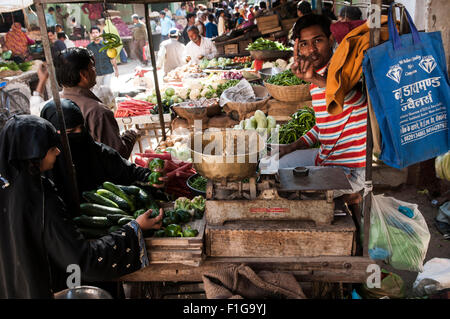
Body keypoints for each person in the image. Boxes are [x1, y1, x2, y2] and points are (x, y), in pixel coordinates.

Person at [0, 115, 164, 298]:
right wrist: (134, 230)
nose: (58, 152)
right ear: (34, 154)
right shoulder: (41, 198)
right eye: (52, 148)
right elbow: (80, 261)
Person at [276, 14, 367, 208]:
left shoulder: (342, 68)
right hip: (325, 158)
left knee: (293, 199)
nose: (311, 50)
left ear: (331, 40)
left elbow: (356, 100)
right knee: (273, 169)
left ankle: (348, 198)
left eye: (318, 41)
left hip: (351, 171)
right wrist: (291, 146)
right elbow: (323, 125)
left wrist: (315, 79)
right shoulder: (318, 77)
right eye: (304, 44)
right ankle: (342, 199)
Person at [40, 99, 165, 217]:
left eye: (81, 128)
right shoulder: (44, 167)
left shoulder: (98, 151)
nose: (79, 134)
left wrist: (150, 176)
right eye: (71, 131)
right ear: (52, 133)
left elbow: (129, 171)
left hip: (113, 221)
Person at [55, 47, 137, 159]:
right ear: (84, 74)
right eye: (92, 67)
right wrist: (131, 135)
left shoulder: (52, 105)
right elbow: (117, 155)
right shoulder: (98, 112)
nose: (95, 70)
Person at [87, 27, 119, 94]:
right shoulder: (89, 47)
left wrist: (116, 70)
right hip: (96, 73)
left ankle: (108, 104)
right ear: (91, 34)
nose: (95, 34)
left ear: (100, 33)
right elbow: (88, 61)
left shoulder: (107, 45)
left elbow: (112, 58)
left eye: (96, 32)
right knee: (98, 92)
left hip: (107, 71)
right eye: (93, 33)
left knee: (106, 90)